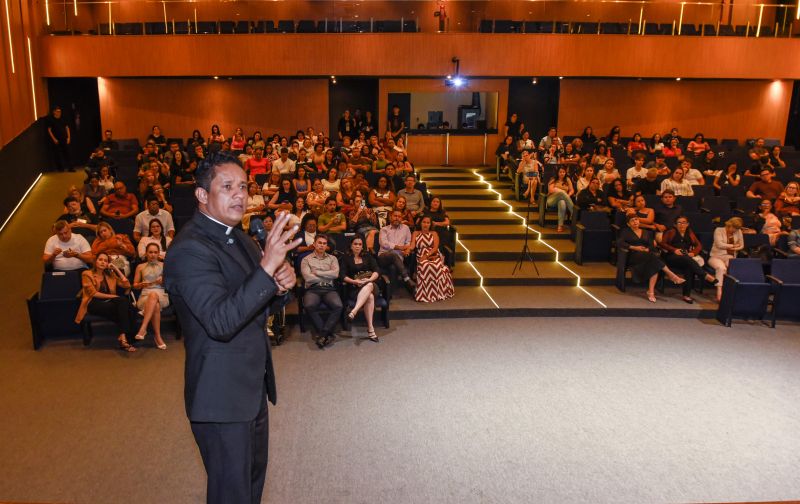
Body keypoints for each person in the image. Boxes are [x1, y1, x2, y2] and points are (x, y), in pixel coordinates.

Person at [164, 151, 299, 504]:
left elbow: (255, 304)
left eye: (244, 186)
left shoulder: (240, 238)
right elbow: (221, 321)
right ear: (201, 195)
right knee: (230, 495)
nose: (240, 194)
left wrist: (280, 287)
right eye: (227, 186)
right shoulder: (188, 249)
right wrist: (268, 268)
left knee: (251, 486)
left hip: (250, 386)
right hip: (220, 397)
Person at [617, 215, 686, 303]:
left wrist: (647, 249)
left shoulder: (647, 232)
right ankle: (671, 275)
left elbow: (651, 245)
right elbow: (620, 242)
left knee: (654, 263)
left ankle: (651, 291)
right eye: (632, 220)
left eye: (636, 219)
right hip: (633, 256)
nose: (635, 222)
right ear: (628, 224)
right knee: (654, 259)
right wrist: (634, 247)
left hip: (647, 255)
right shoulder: (625, 232)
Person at [75, 252, 135, 351]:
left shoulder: (110, 274)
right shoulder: (87, 274)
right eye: (100, 259)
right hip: (93, 303)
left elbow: (127, 285)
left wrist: (116, 269)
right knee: (126, 306)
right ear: (96, 261)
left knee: (124, 305)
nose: (103, 262)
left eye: (105, 261)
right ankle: (128, 337)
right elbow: (93, 293)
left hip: (109, 302)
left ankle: (123, 337)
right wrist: (114, 297)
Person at [659, 216, 718, 303]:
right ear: (675, 225)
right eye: (679, 222)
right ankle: (704, 275)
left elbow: (699, 245)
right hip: (671, 257)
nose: (682, 224)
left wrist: (693, 253)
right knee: (687, 260)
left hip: (685, 258)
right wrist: (674, 250)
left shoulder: (689, 232)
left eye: (684, 222)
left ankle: (686, 295)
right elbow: (662, 244)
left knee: (689, 267)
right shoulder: (671, 232)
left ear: (687, 224)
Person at [301, 234, 343, 348]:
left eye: (324, 243)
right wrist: (327, 275)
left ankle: (323, 334)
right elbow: (308, 278)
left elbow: (335, 274)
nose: (322, 245)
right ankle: (326, 333)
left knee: (338, 306)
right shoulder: (306, 259)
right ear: (314, 244)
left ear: (326, 246)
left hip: (329, 288)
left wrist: (318, 272)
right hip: (313, 288)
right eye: (319, 243)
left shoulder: (332, 258)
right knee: (309, 305)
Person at [340, 235, 380, 342]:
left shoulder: (368, 256)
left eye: (360, 244)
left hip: (371, 285)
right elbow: (342, 275)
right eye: (355, 244)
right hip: (355, 288)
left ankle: (354, 311)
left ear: (363, 246)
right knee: (370, 297)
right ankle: (371, 329)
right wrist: (354, 281)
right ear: (351, 245)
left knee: (370, 285)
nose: (357, 246)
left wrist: (369, 279)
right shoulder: (345, 258)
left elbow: (377, 271)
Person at [132, 243, 169, 349]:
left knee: (153, 295)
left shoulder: (164, 265)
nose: (153, 255)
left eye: (155, 252)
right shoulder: (140, 266)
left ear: (159, 254)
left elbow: (171, 283)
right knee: (155, 304)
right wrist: (139, 285)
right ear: (146, 253)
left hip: (161, 294)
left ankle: (143, 328)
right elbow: (134, 285)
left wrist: (164, 281)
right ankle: (157, 336)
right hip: (144, 296)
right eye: (150, 252)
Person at [411, 216, 454, 303]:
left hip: (433, 254)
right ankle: (425, 294)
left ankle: (436, 293)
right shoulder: (415, 233)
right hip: (420, 254)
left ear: (430, 224)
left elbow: (435, 247)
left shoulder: (434, 233)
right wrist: (406, 249)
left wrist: (427, 255)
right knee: (425, 266)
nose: (425, 224)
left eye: (428, 223)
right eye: (424, 222)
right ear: (421, 223)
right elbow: (412, 245)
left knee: (435, 267)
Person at [708, 217, 745, 301]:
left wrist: (734, 249)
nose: (734, 230)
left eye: (736, 229)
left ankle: (732, 291)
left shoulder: (738, 231)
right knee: (722, 268)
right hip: (715, 256)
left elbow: (742, 245)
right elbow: (719, 244)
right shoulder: (719, 230)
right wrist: (733, 246)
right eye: (733, 228)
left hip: (730, 256)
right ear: (729, 225)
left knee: (733, 268)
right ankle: (719, 291)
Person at [378, 210, 416, 291]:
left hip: (399, 258)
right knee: (393, 254)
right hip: (383, 256)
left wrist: (407, 250)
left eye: (399, 217)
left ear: (401, 218)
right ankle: (406, 278)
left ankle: (389, 292)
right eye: (395, 216)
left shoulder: (406, 228)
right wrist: (399, 248)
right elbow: (384, 243)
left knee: (393, 267)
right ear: (390, 217)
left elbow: (408, 242)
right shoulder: (384, 229)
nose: (397, 218)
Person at [546, 167, 575, 232]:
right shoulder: (553, 179)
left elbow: (572, 190)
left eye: (563, 172)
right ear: (557, 173)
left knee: (562, 202)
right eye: (560, 172)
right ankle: (573, 211)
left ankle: (560, 226)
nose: (562, 174)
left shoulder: (567, 179)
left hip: (563, 200)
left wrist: (567, 195)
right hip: (552, 199)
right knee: (561, 193)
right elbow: (551, 190)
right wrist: (562, 192)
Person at [46, 106, 72, 171]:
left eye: (60, 111)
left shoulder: (63, 118)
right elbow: (49, 130)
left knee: (67, 154)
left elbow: (67, 128)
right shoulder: (51, 120)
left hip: (64, 139)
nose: (59, 113)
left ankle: (70, 168)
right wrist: (54, 139)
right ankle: (61, 169)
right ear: (54, 112)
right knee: (58, 155)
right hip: (57, 140)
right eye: (57, 111)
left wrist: (68, 137)